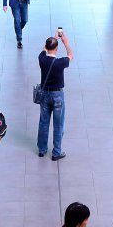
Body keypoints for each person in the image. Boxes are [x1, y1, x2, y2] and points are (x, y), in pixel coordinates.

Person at [37, 31, 73, 160]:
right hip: (57, 95)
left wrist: (53, 38)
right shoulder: (60, 62)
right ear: (57, 49)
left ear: (46, 48)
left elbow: (43, 50)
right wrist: (66, 42)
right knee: (58, 125)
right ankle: (56, 152)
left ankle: (42, 149)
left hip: (44, 94)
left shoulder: (42, 59)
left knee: (43, 122)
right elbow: (70, 55)